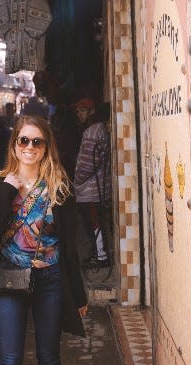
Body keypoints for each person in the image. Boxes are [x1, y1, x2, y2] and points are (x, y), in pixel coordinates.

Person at [0, 114, 88, 365]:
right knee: (10, 360)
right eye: (24, 141)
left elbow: (69, 245)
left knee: (50, 357)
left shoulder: (59, 186)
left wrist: (79, 294)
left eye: (37, 142)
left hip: (50, 279)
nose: (29, 147)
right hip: (10, 276)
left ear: (46, 147)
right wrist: (9, 190)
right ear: (14, 145)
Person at [73, 98, 112, 267]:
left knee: (94, 223)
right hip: (95, 187)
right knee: (95, 223)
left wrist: (77, 180)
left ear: (92, 112)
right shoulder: (98, 129)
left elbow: (88, 163)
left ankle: (101, 258)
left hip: (91, 189)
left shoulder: (92, 132)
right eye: (78, 111)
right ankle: (98, 255)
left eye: (82, 110)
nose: (79, 114)